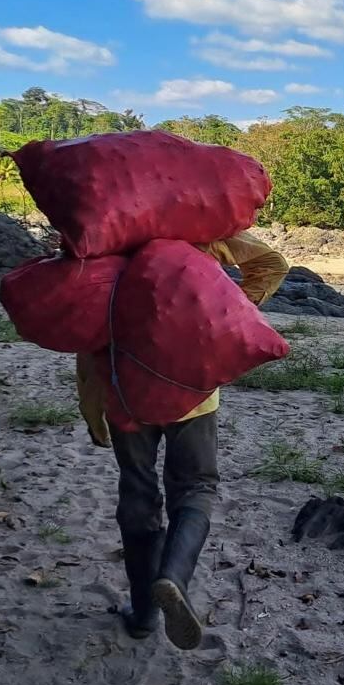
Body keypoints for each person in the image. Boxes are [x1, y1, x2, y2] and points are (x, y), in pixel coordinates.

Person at [75, 231, 289, 648]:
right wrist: (232, 313)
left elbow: (88, 338)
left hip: (125, 395)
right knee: (196, 487)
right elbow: (272, 264)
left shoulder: (108, 242)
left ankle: (142, 616)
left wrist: (91, 409)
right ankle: (174, 577)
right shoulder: (202, 233)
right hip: (193, 394)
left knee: (137, 493)